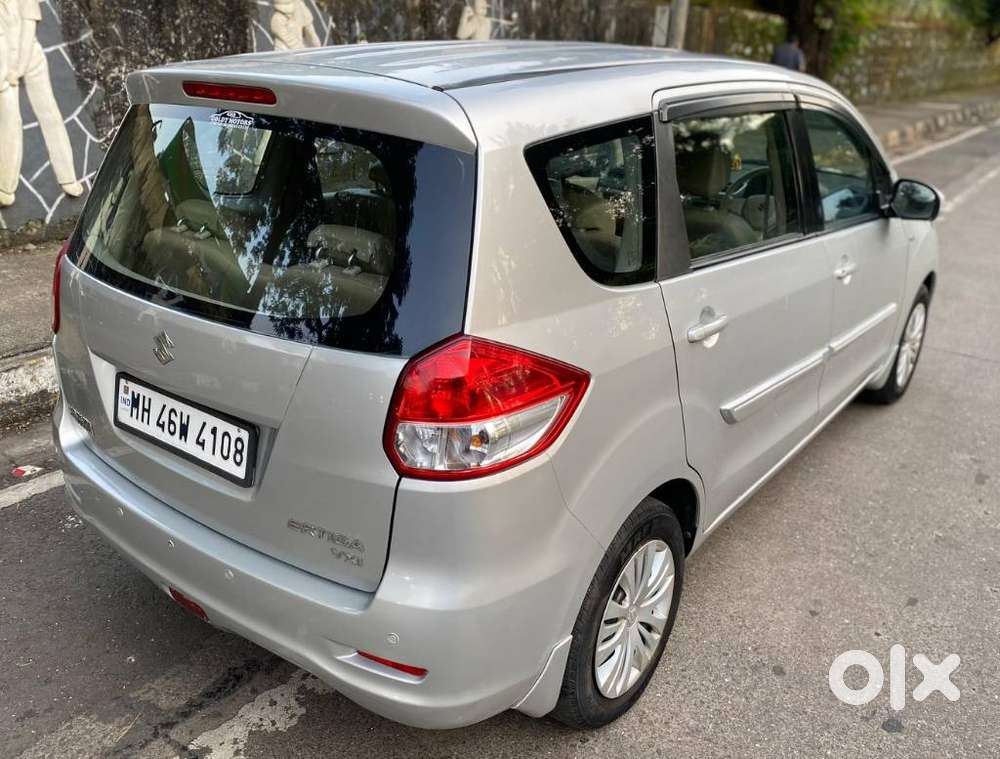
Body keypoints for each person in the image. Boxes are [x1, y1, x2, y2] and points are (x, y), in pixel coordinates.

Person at [0, 0, 83, 206]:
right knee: (9, 120)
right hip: (2, 61)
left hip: (29, 55)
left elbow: (28, 28)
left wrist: (17, 69)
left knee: (50, 115)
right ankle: (5, 187)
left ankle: (68, 177)